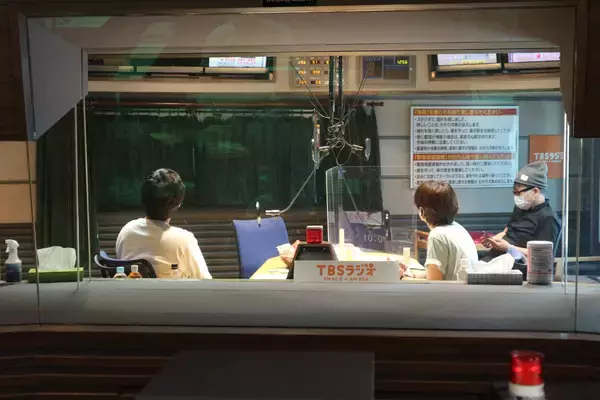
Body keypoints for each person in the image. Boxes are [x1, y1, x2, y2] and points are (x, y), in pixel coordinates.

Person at [116, 168, 212, 279]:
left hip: (131, 291)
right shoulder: (184, 240)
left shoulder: (126, 232)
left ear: (143, 199)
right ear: (178, 204)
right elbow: (206, 282)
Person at [481, 161, 561, 262]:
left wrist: (509, 248)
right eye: (514, 193)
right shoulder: (521, 207)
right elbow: (507, 231)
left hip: (519, 264)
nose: (516, 197)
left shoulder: (548, 218)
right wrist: (493, 240)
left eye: (519, 193)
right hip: (499, 256)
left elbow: (542, 254)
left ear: (535, 191)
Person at [401, 180, 478, 281]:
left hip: (450, 292)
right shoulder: (458, 228)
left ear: (421, 211)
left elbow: (434, 284)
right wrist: (411, 274)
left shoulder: (437, 235)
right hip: (464, 290)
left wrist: (403, 278)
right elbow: (438, 274)